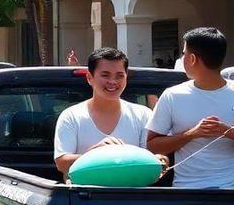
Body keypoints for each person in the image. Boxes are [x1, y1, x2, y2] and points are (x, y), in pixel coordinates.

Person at [148, 28, 234, 188]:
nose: (182, 59)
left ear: (192, 58)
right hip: (187, 193)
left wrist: (227, 132)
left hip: (229, 193)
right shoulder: (173, 95)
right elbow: (152, 145)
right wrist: (191, 134)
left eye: (183, 53)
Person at [54, 48, 156, 176]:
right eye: (105, 75)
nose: (112, 82)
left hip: (133, 193)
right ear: (89, 78)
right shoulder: (71, 116)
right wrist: (96, 154)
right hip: (85, 194)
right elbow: (61, 163)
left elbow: (152, 159)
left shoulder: (143, 115)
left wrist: (162, 160)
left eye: (119, 76)